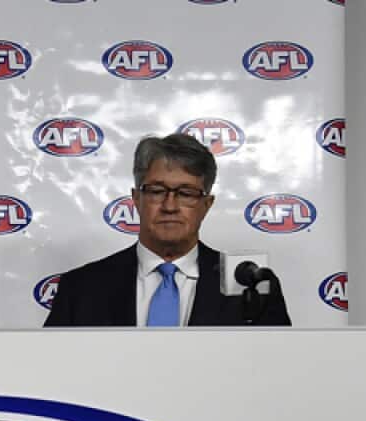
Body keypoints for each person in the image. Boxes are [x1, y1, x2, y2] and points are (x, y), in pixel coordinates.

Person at [45, 134, 291, 327]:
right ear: (136, 199)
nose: (170, 206)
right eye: (156, 191)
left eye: (186, 193)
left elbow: (278, 375)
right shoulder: (81, 288)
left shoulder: (251, 287)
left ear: (206, 205)